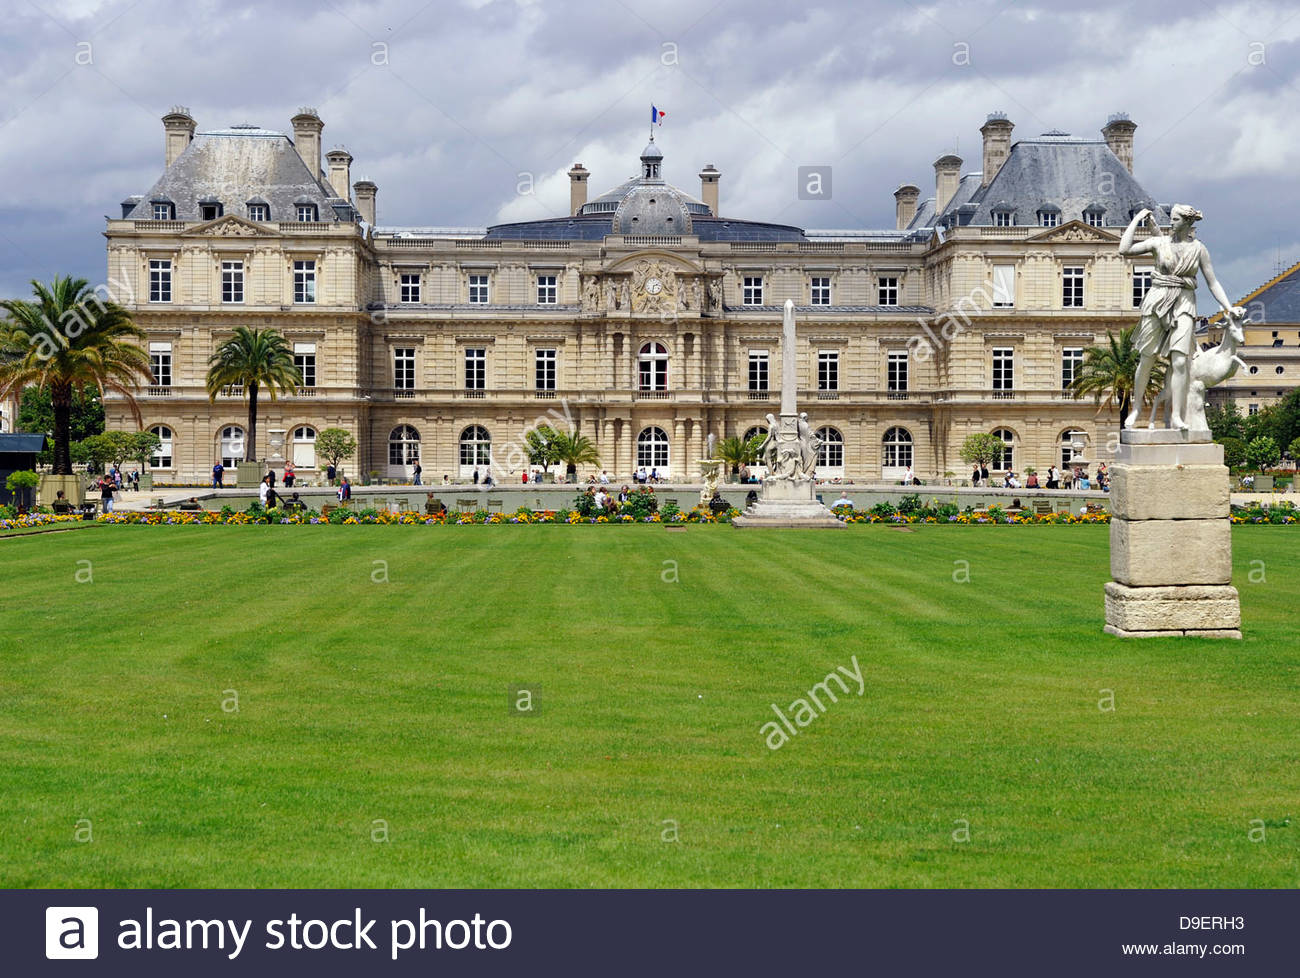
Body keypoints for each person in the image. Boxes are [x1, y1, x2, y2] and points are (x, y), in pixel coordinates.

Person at [1118, 205, 1246, 430]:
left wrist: (1228, 308)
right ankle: (1136, 408)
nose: (1172, 223)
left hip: (1185, 303)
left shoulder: (1199, 249)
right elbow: (1124, 249)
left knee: (1180, 361)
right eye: (1171, 219)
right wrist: (1138, 218)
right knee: (1147, 358)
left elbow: (1212, 282)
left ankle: (1177, 415)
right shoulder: (1159, 243)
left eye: (1176, 219)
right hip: (1157, 301)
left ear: (1187, 223)